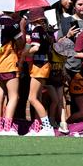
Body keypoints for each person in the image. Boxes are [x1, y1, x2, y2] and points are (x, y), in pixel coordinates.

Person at [0, 10, 25, 134]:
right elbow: (20, 43)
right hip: (8, 62)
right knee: (14, 96)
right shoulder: (13, 24)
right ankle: (7, 127)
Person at [24, 7, 55, 136]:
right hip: (44, 64)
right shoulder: (45, 30)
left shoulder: (37, 29)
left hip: (39, 65)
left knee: (32, 98)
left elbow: (36, 47)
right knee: (38, 97)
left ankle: (47, 127)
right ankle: (37, 128)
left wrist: (25, 52)